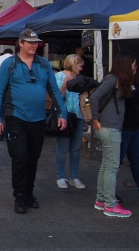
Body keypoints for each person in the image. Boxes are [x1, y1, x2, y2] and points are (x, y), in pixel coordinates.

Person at [0, 29, 67, 214]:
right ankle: (19, 195)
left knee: (33, 159)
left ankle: (29, 193)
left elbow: (54, 90)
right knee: (20, 157)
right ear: (20, 43)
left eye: (35, 42)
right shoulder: (9, 65)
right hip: (15, 117)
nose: (34, 45)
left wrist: (62, 113)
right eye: (29, 42)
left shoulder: (43, 64)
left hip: (38, 118)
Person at [90, 52, 136, 218]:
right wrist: (95, 118)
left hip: (109, 127)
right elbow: (94, 97)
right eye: (133, 65)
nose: (135, 68)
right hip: (110, 128)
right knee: (112, 166)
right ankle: (110, 203)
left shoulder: (115, 80)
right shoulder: (113, 80)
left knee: (107, 164)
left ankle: (102, 199)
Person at [54, 54, 87, 190]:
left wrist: (86, 116)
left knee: (76, 147)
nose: (81, 69)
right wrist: (65, 84)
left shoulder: (80, 79)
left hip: (78, 115)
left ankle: (74, 176)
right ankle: (61, 176)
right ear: (74, 64)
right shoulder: (59, 76)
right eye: (80, 66)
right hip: (65, 115)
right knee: (62, 147)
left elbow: (84, 99)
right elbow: (57, 96)